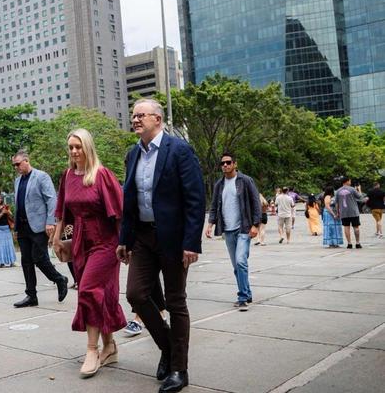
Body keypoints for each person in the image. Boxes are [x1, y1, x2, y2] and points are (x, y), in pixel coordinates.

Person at [118, 99, 206, 393]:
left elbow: (195, 199)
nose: (135, 119)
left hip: (173, 237)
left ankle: (179, 369)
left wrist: (191, 242)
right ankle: (169, 347)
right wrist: (124, 239)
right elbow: (129, 201)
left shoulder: (179, 150)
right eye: (133, 115)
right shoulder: (132, 155)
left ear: (157, 118)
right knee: (135, 294)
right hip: (142, 237)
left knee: (175, 300)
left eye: (140, 115)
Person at [52, 129, 126, 378]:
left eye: (78, 146)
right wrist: (57, 239)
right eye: (71, 147)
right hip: (81, 242)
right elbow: (63, 211)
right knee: (98, 296)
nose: (74, 151)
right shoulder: (67, 176)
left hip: (105, 243)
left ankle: (92, 350)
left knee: (87, 291)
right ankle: (111, 347)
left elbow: (119, 211)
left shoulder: (102, 175)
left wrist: (125, 244)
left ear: (88, 147)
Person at [12, 150, 68, 308]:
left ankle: (59, 279)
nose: (16, 167)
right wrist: (16, 227)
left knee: (39, 258)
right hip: (23, 226)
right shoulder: (18, 181)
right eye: (14, 165)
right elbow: (19, 205)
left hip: (39, 225)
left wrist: (51, 222)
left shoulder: (41, 176)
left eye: (18, 164)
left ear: (26, 160)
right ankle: (31, 295)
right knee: (26, 261)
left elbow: (52, 200)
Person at [206, 153, 261, 311]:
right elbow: (215, 206)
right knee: (237, 266)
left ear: (235, 164)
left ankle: (242, 298)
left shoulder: (245, 180)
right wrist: (210, 224)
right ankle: (247, 292)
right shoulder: (219, 185)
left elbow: (255, 202)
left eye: (228, 162)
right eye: (222, 163)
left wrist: (255, 225)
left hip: (244, 227)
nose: (225, 165)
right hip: (228, 230)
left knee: (241, 261)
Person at [335, 177, 364, 249]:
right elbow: (360, 197)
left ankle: (349, 243)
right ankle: (357, 243)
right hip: (354, 211)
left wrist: (337, 212)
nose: (350, 182)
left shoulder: (338, 191)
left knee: (346, 227)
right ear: (347, 181)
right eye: (350, 181)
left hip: (343, 212)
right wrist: (359, 189)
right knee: (356, 227)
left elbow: (336, 203)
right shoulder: (352, 189)